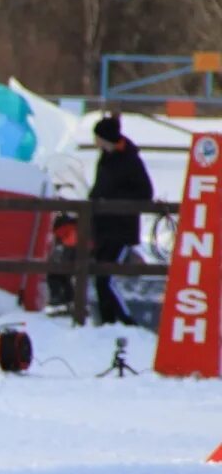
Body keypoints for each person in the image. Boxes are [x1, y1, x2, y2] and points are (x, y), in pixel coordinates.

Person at [86, 113, 153, 325]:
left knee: (108, 278)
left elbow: (145, 193)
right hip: (104, 226)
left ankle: (124, 321)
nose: (95, 142)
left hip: (121, 228)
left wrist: (112, 201)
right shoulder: (105, 159)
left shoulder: (130, 161)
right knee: (100, 276)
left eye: (97, 137)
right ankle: (108, 322)